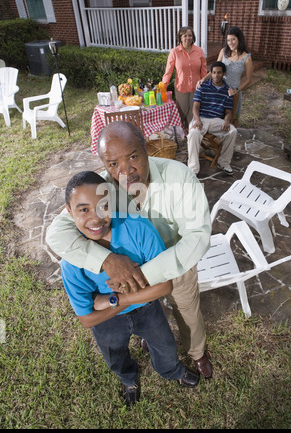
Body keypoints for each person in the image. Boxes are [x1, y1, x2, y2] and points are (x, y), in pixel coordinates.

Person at [46, 121, 213, 380]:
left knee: (187, 312)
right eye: (113, 163)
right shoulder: (99, 189)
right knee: (149, 313)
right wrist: (108, 260)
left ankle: (197, 352)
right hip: (127, 271)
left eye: (133, 156)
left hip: (175, 262)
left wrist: (145, 275)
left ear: (146, 148)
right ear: (103, 163)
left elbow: (197, 237)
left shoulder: (179, 177)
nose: (125, 171)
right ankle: (151, 337)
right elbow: (56, 233)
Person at [61, 170, 200, 405]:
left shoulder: (137, 228)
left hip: (146, 309)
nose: (95, 219)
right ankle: (129, 379)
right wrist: (133, 294)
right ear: (69, 211)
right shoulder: (71, 261)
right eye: (83, 209)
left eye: (103, 206)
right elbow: (87, 319)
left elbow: (164, 286)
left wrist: (113, 299)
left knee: (165, 346)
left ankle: (171, 371)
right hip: (108, 321)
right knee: (115, 355)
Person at [187, 61, 237, 176]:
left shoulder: (227, 91)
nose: (216, 75)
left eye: (219, 72)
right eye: (213, 72)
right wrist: (197, 119)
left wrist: (227, 120)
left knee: (233, 131)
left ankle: (224, 162)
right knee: (194, 133)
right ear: (211, 73)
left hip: (216, 120)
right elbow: (195, 107)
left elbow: (228, 112)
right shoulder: (202, 86)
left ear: (223, 74)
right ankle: (193, 169)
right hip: (201, 118)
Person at [198, 26, 253, 127]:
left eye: (233, 39)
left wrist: (236, 90)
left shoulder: (246, 58)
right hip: (220, 89)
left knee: (233, 117)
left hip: (233, 92)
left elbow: (249, 80)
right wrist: (203, 79)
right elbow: (215, 70)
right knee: (219, 115)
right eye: (228, 40)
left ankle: (231, 136)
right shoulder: (223, 52)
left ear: (239, 39)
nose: (230, 42)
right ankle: (218, 135)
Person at [162, 26, 207, 130]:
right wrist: (163, 87)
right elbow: (168, 72)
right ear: (180, 37)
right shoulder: (175, 52)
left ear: (193, 37)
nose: (188, 38)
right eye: (184, 35)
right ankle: (180, 133)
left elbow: (204, 71)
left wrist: (204, 86)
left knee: (193, 114)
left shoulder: (199, 51)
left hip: (197, 88)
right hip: (181, 88)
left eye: (190, 35)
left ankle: (190, 135)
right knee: (181, 112)